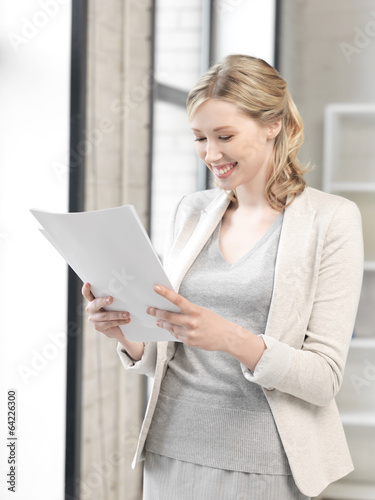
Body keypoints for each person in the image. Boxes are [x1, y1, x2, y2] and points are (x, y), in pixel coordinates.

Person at [82, 55, 364, 499]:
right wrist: (128, 334)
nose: (211, 154)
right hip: (170, 452)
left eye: (225, 136)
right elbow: (172, 350)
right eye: (199, 138)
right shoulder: (193, 211)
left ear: (273, 124)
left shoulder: (332, 220)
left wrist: (230, 337)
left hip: (265, 463)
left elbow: (324, 377)